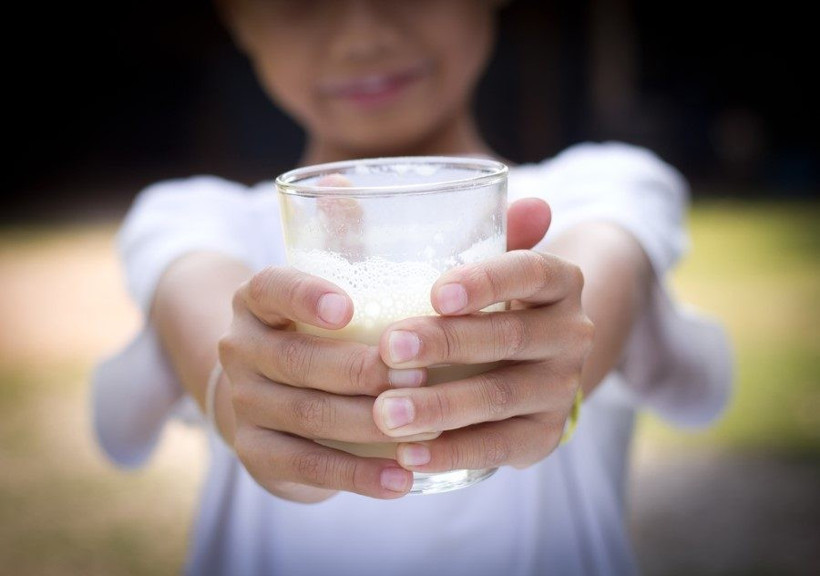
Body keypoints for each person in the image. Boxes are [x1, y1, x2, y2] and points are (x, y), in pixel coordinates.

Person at [92, 1, 733, 574]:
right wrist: (261, 415)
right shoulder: (196, 220)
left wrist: (549, 345)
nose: (363, 33)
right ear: (235, 16)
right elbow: (212, 335)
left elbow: (597, 281)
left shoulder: (603, 186)